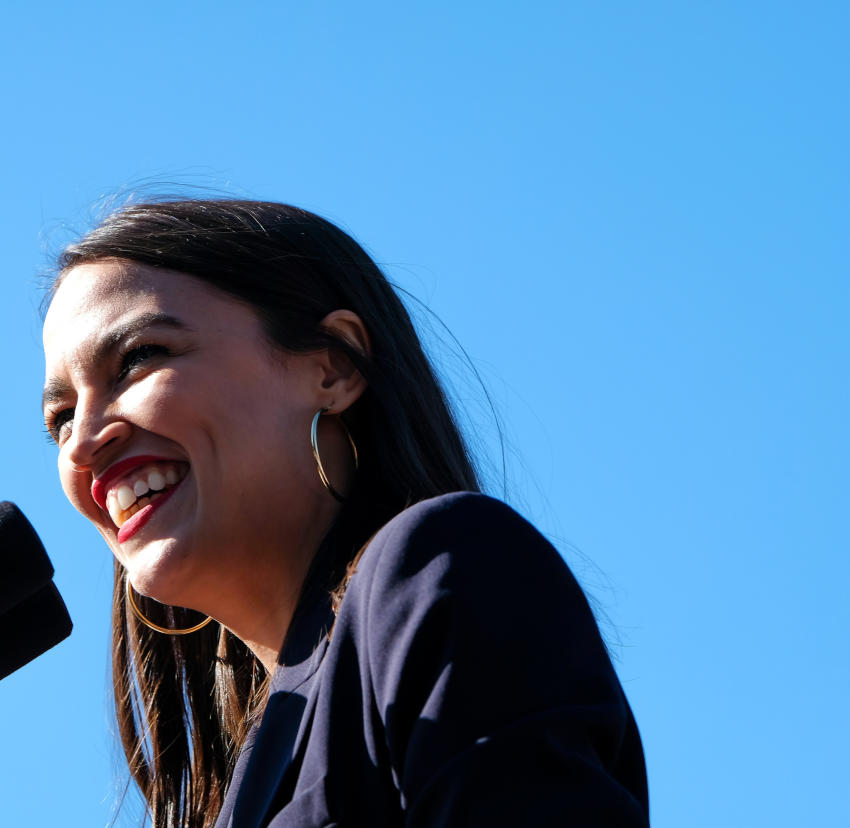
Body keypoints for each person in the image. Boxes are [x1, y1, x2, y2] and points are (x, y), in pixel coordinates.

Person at [40, 199, 648, 827]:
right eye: (59, 420)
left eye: (139, 357)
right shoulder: (237, 787)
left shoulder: (444, 565)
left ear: (332, 367)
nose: (83, 442)